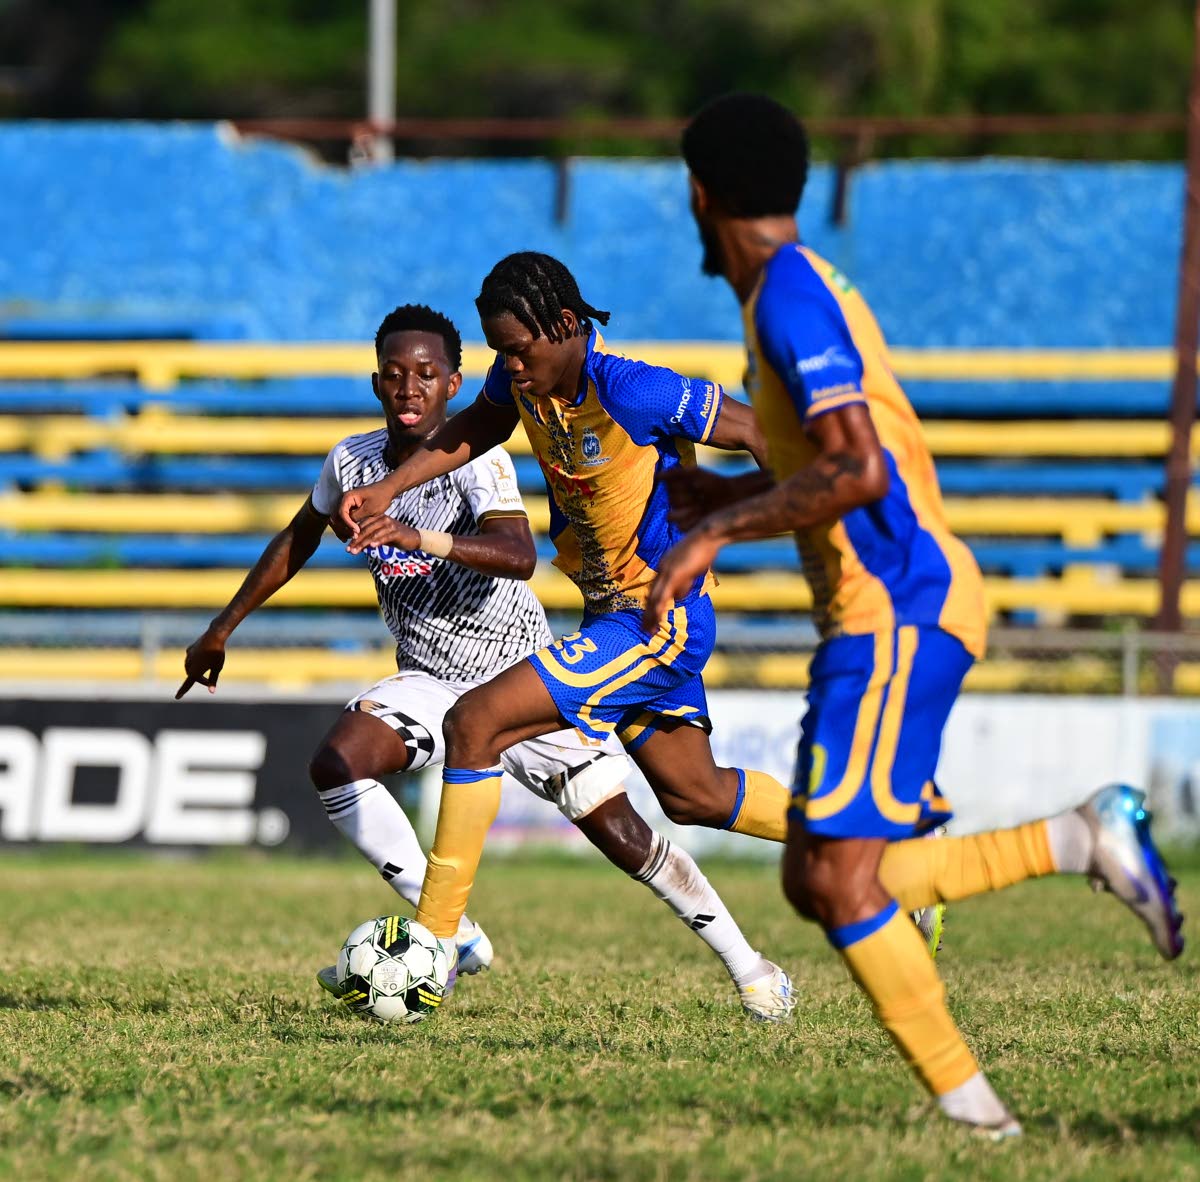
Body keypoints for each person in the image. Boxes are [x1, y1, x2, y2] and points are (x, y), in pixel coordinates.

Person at [641, 92, 1185, 1136]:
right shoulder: (797, 291)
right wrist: (726, 499)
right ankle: (1079, 840)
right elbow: (832, 457)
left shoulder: (790, 299)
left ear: (701, 196)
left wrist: (713, 534)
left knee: (839, 886)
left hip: (896, 607)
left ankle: (985, 1124)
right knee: (824, 877)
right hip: (892, 607)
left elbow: (856, 466)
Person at [177, 302, 793, 1020]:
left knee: (632, 832)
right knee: (336, 765)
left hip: (517, 673)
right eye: (396, 375)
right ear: (377, 384)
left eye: (427, 374)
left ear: (453, 383)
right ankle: (450, 935)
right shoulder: (351, 462)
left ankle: (751, 968)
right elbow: (299, 533)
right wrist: (222, 627)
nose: (410, 387)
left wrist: (418, 538)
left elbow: (519, 554)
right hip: (429, 676)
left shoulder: (480, 460)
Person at [336, 255, 806, 997]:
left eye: (519, 349)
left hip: (658, 617)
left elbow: (768, 439)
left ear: (563, 326)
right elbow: (471, 431)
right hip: (611, 612)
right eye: (499, 350)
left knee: (477, 721)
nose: (510, 365)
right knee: (695, 796)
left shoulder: (634, 388)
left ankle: (433, 941)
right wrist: (389, 488)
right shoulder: (521, 385)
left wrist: (724, 524)